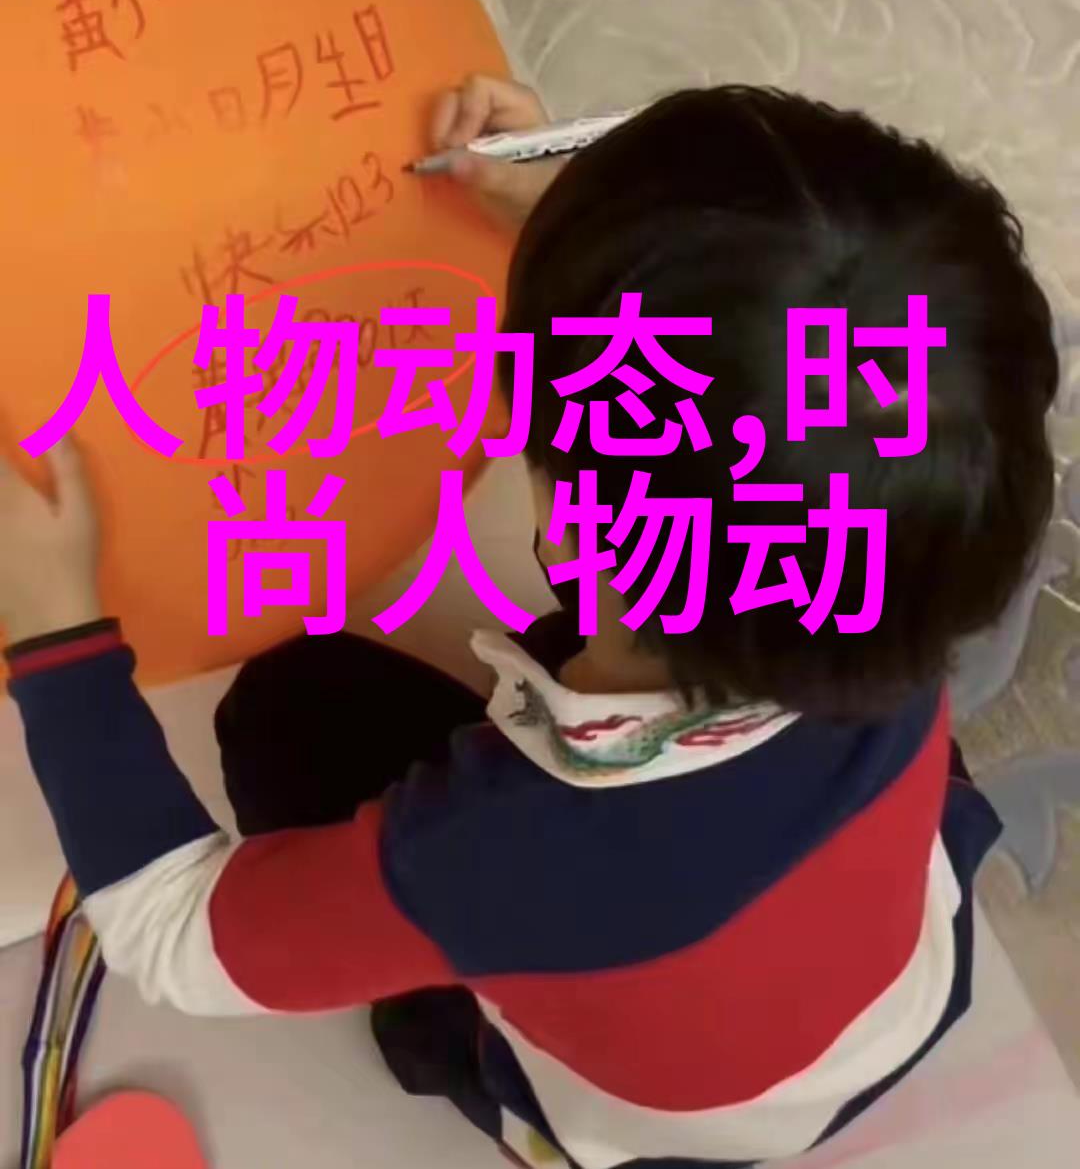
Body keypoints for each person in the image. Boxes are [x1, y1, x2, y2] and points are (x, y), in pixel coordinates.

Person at [1, 76, 1059, 1169]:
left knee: (289, 711)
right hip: (900, 984)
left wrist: (54, 627)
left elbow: (170, 930)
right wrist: (593, 231)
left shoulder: (504, 848)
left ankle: (471, 1072)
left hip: (653, 1127)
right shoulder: (897, 557)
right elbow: (784, 376)